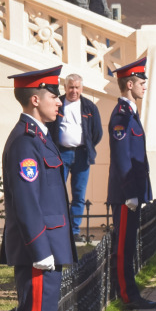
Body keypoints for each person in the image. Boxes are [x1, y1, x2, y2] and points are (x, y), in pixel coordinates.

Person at [2, 65, 76, 311]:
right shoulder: (24, 142)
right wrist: (39, 249)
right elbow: (26, 201)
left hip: (48, 246)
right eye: (52, 96)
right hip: (39, 250)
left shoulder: (40, 137)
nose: (59, 102)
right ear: (35, 100)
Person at [107, 58, 156, 310]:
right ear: (129, 84)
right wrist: (130, 192)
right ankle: (127, 296)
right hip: (126, 193)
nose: (144, 86)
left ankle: (130, 292)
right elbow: (121, 157)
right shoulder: (121, 116)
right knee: (123, 247)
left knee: (128, 246)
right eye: (141, 82)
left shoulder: (130, 113)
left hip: (134, 191)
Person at [46, 73, 102, 238]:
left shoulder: (89, 107)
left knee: (79, 194)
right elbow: (49, 128)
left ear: (82, 88)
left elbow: (97, 132)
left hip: (82, 155)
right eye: (71, 87)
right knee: (58, 192)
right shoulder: (57, 104)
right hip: (60, 154)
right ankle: (59, 228)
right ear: (65, 88)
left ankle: (74, 230)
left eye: (77, 87)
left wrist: (88, 146)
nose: (74, 91)